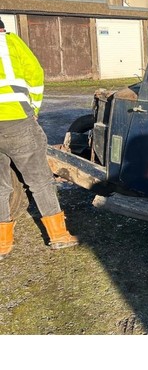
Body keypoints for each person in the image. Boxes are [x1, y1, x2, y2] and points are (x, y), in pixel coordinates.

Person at [0, 17, 78, 260]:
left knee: (1, 185)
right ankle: (58, 236)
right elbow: (35, 74)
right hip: (17, 122)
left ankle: (3, 244)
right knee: (40, 180)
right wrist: (33, 109)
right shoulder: (10, 42)